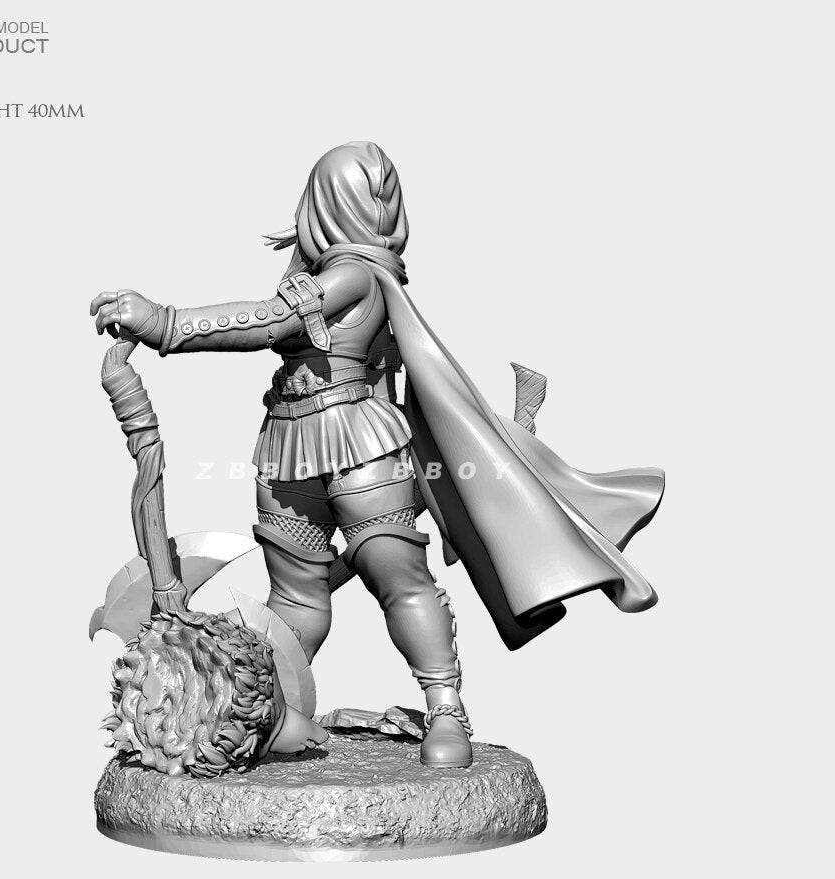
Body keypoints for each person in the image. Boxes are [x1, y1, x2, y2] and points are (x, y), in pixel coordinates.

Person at [90, 141, 664, 770]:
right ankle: (276, 705)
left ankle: (446, 709)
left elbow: (272, 323)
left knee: (398, 578)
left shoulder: (355, 275)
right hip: (287, 445)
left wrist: (165, 322)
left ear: (326, 204)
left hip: (360, 443)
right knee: (297, 597)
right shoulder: (332, 275)